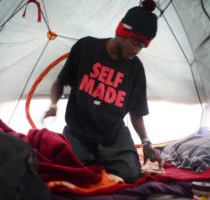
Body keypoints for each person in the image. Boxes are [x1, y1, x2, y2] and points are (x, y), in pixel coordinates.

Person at [44, 0, 162, 184]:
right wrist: (53, 105)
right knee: (79, 172)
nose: (137, 50)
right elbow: (59, 82)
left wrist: (146, 142)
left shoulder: (135, 69)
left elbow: (136, 112)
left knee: (130, 175)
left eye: (141, 46)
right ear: (121, 33)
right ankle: (93, 158)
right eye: (135, 43)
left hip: (112, 135)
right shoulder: (86, 48)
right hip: (78, 131)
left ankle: (104, 158)